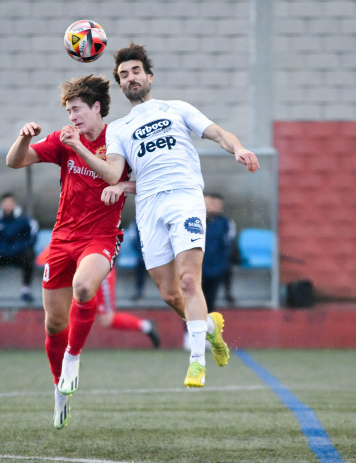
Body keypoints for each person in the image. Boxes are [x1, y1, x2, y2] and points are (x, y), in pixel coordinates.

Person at [71, 42, 260, 388]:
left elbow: (218, 133)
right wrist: (82, 149)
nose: (131, 78)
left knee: (189, 281)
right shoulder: (119, 129)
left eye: (136, 71)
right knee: (170, 294)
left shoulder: (177, 108)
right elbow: (114, 173)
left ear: (149, 77)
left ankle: (197, 361)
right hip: (149, 207)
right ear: (120, 83)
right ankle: (211, 328)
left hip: (185, 198)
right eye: (124, 74)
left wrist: (240, 147)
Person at [6, 74, 130, 429]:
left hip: (101, 236)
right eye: (68, 110)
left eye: (77, 109)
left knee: (84, 288)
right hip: (62, 238)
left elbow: (122, 177)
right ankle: (59, 390)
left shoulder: (118, 139)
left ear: (96, 107)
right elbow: (15, 162)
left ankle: (74, 357)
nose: (72, 116)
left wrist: (118, 182)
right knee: (54, 323)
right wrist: (23, 138)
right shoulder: (63, 139)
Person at [37, 249, 160, 348]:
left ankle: (145, 326)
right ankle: (69, 351)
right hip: (79, 276)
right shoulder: (67, 229)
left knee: (107, 320)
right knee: (68, 311)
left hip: (101, 273)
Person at [0, 193, 38, 304]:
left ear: (14, 204)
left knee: (29, 255)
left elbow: (32, 238)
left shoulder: (24, 221)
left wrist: (17, 248)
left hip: (17, 254)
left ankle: (26, 290)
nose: (8, 206)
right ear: (1, 205)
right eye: (5, 203)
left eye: (10, 203)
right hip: (0, 254)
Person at [202, 192, 237, 313]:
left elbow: (227, 243)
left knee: (210, 300)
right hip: (197, 267)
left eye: (210, 203)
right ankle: (189, 330)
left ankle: (208, 328)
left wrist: (221, 264)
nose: (208, 206)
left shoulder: (224, 222)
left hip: (215, 267)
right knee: (193, 300)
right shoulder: (193, 221)